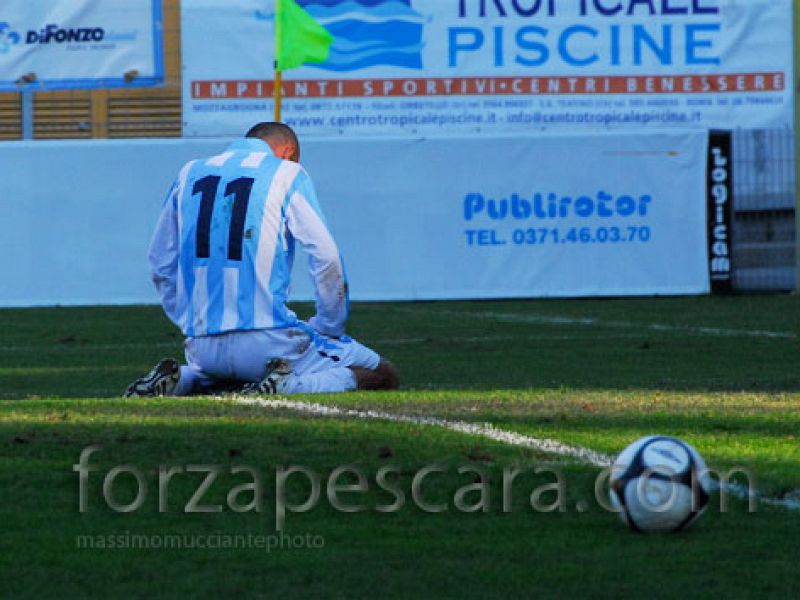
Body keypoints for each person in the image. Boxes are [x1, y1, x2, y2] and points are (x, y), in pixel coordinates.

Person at [124, 122, 399, 397]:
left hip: (203, 347)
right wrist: (331, 325)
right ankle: (289, 385)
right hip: (268, 340)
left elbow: (160, 262)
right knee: (382, 373)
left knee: (227, 378)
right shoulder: (287, 172)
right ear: (288, 152)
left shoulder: (189, 173)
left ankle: (182, 381)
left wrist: (191, 320)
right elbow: (326, 256)